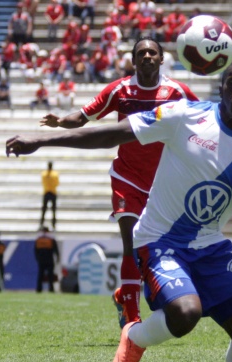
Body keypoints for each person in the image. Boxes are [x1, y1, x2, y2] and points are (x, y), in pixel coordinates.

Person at [8, 58, 232, 362]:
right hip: (159, 239)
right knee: (185, 313)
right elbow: (114, 134)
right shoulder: (184, 115)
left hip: (210, 244)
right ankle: (135, 337)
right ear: (221, 87)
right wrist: (42, 141)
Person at [40, 37, 198, 329]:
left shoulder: (177, 91)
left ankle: (124, 293)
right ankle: (132, 317)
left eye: (152, 52)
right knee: (131, 243)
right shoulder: (120, 89)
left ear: (161, 59)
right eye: (141, 53)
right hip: (126, 177)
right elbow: (84, 116)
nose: (147, 56)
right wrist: (61, 121)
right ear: (133, 61)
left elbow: (204, 120)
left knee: (154, 249)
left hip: (163, 182)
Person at [34, 226, 60, 293]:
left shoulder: (39, 239)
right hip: (49, 260)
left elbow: (36, 251)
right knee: (50, 275)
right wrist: (57, 257)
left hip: (42, 260)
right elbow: (56, 250)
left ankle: (39, 289)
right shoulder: (51, 239)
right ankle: (51, 289)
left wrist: (37, 258)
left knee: (40, 275)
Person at [39, 161, 59, 229]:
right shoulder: (52, 174)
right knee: (46, 209)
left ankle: (52, 223)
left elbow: (56, 183)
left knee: (52, 209)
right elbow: (57, 183)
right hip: (50, 192)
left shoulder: (46, 174)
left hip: (49, 192)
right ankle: (43, 223)